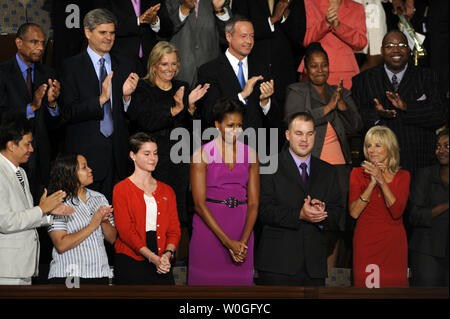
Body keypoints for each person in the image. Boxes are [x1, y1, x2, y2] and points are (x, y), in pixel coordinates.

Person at [284, 42, 363, 267]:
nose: (320, 70)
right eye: (314, 66)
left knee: (335, 223)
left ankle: (332, 276)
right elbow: (293, 119)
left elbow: (356, 124)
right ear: (306, 69)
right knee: (309, 219)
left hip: (339, 167)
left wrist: (341, 106)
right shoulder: (297, 91)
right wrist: (328, 108)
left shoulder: (340, 92)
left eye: (324, 65)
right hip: (311, 164)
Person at [60, 8, 139, 203]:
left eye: (112, 33)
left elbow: (135, 116)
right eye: (103, 33)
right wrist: (100, 100)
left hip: (119, 158)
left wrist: (126, 99)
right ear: (88, 32)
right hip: (86, 160)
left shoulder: (126, 65)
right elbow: (67, 112)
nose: (109, 38)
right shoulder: (71, 67)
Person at [255, 112, 342, 286]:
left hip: (314, 266)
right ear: (287, 135)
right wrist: (299, 214)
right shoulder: (268, 166)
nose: (304, 139)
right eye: (299, 133)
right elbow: (262, 210)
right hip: (277, 264)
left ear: (315, 136)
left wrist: (322, 213)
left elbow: (338, 213)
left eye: (309, 134)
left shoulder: (328, 171)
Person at [128, 41, 209, 227]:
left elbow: (193, 128)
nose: (170, 69)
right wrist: (175, 109)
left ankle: (175, 255)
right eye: (164, 64)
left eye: (174, 64)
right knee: (152, 218)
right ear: (154, 65)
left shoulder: (182, 86)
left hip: (179, 164)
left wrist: (190, 108)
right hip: (152, 164)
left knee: (177, 217)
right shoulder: (142, 88)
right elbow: (145, 122)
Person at [352, 30, 445, 175]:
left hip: (419, 164)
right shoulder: (363, 80)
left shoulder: (427, 76)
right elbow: (354, 121)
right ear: (382, 51)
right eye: (389, 46)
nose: (396, 50)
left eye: (401, 45)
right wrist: (376, 115)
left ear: (409, 50)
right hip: (377, 167)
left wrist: (407, 108)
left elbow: (440, 115)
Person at [189, 97, 259, 285]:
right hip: (209, 229)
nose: (236, 131)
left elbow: (253, 203)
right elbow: (199, 205)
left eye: (239, 125)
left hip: (242, 228)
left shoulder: (251, 154)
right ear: (217, 125)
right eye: (230, 125)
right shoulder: (201, 155)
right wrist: (228, 243)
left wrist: (241, 243)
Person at [0, 114, 72, 285]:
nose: (31, 149)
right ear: (11, 145)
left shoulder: (21, 172)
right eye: (27, 144)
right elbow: (5, 222)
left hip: (23, 266)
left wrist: (48, 215)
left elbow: (23, 216)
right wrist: (41, 209)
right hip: (6, 268)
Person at [0, 22, 61, 205]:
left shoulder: (49, 73)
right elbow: (2, 117)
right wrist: (31, 108)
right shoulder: (3, 73)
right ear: (19, 43)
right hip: (12, 158)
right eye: (34, 42)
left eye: (42, 43)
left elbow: (57, 125)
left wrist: (52, 104)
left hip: (42, 159)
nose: (40, 48)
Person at [113, 133, 181, 285]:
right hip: (131, 259)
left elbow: (174, 229)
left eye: (155, 153)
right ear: (133, 155)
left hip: (163, 258)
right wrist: (152, 257)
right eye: (147, 153)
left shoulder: (167, 190)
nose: (153, 158)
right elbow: (126, 231)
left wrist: (167, 255)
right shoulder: (121, 189)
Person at [197, 16, 279, 140]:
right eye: (243, 36)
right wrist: (242, 95)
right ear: (229, 37)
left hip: (257, 148)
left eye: (251, 36)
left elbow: (276, 119)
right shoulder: (209, 70)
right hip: (224, 148)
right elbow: (209, 113)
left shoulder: (261, 68)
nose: (249, 41)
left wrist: (265, 102)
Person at [349, 125, 410, 287]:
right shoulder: (357, 173)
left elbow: (397, 212)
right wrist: (371, 184)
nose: (372, 150)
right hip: (366, 241)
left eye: (377, 145)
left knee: (393, 290)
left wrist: (382, 181)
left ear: (389, 148)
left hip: (392, 243)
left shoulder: (403, 176)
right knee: (366, 291)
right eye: (369, 145)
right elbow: (354, 213)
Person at [47, 154, 117, 285]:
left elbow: (112, 239)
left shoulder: (99, 198)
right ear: (70, 173)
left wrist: (104, 220)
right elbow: (61, 245)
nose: (90, 169)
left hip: (99, 273)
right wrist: (93, 224)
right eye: (84, 167)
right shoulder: (57, 202)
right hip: (70, 275)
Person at [232, 0, 306, 107]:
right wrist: (271, 20)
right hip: (254, 70)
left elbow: (298, 36)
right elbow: (238, 30)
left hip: (284, 73)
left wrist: (285, 18)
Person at [408, 128, 449, 287]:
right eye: (438, 146)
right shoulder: (425, 175)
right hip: (427, 250)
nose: (441, 150)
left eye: (447, 146)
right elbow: (415, 215)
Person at [298, 0, 367, 90]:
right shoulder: (310, 3)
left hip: (345, 71)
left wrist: (339, 27)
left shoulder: (357, 7)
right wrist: (325, 24)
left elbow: (361, 43)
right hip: (315, 70)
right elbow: (305, 39)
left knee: (345, 103)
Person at [166, 0, 231, 88]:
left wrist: (219, 10)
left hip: (209, 67)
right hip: (180, 67)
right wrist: (184, 8)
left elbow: (229, 37)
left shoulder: (218, 1)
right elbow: (163, 31)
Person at [107, 0, 174, 77]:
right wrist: (138, 20)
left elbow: (168, 30)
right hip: (121, 62)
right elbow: (107, 25)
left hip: (150, 64)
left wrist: (155, 21)